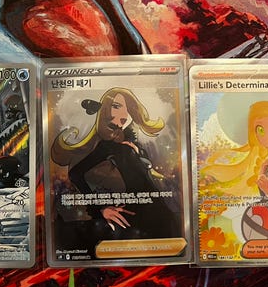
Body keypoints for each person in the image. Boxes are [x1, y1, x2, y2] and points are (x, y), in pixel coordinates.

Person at [51, 87, 180, 251]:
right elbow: (76, 174)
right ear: (105, 109)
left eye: (128, 108)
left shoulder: (131, 142)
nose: (123, 113)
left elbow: (147, 176)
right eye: (116, 106)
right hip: (136, 213)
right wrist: (100, 208)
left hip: (158, 209)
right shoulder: (107, 145)